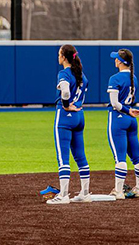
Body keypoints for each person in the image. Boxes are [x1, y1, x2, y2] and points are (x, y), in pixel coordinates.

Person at [47, 44, 91, 205]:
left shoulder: (64, 73)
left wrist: (65, 104)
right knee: (80, 156)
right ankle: (85, 193)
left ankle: (63, 195)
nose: (58, 56)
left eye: (59, 53)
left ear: (64, 57)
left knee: (63, 157)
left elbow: (65, 92)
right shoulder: (81, 75)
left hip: (65, 116)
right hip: (79, 116)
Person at [107, 49, 139, 199]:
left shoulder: (114, 78)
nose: (114, 60)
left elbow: (115, 103)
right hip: (131, 120)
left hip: (119, 118)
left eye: (116, 58)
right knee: (136, 156)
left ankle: (118, 191)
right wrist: (129, 111)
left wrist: (127, 110)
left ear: (119, 62)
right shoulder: (133, 77)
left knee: (120, 158)